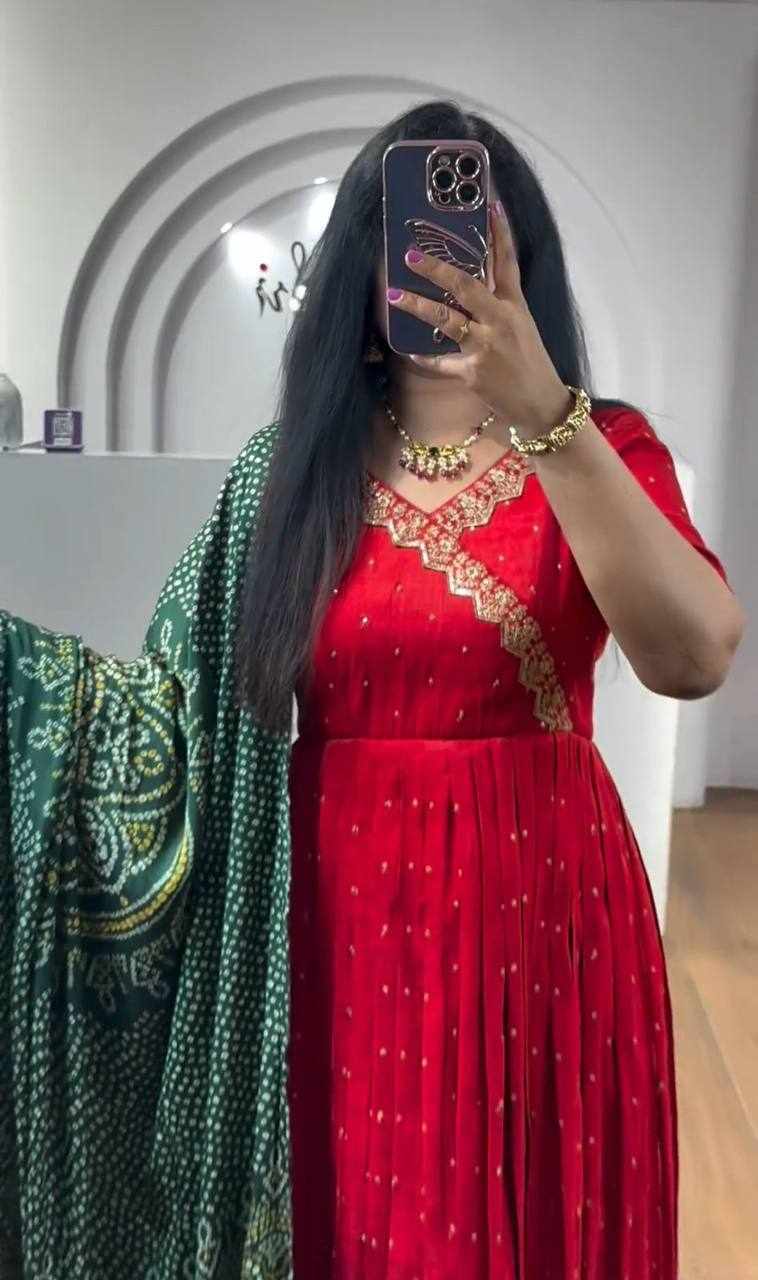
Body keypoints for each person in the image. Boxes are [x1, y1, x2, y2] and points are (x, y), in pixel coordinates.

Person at [0, 100, 745, 1280]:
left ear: (521, 260)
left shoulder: (603, 444)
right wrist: (24, 691)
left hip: (537, 923)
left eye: (471, 240)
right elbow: (172, 719)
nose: (441, 269)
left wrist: (543, 413)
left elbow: (692, 654)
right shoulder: (285, 476)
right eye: (411, 239)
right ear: (361, 261)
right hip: (330, 929)